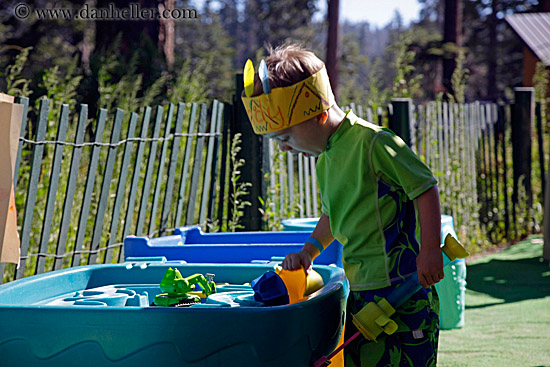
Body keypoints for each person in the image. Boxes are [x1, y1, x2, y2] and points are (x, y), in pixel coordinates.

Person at [241, 43, 443, 366]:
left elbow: (424, 187)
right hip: (362, 292)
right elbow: (333, 214)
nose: (286, 150)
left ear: (318, 115)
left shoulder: (374, 142)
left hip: (404, 289)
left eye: (286, 138)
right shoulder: (325, 160)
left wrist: (431, 248)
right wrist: (309, 250)